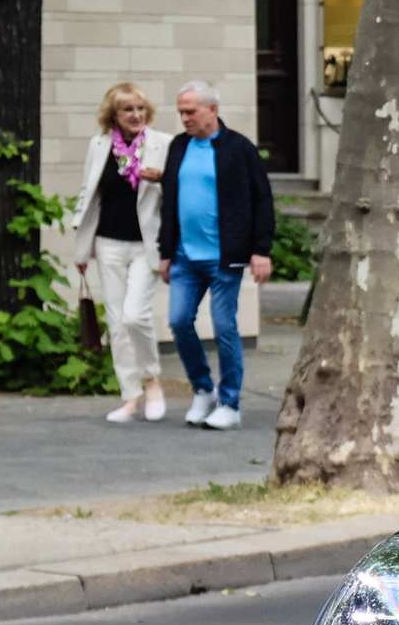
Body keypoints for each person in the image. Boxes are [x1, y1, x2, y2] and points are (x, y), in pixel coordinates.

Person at [159, 81, 278, 430]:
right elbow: (170, 202)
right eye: (181, 112)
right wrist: (166, 252)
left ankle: (230, 402)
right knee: (179, 321)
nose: (184, 118)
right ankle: (202, 389)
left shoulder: (238, 148)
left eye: (190, 111)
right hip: (184, 258)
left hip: (225, 256)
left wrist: (261, 251)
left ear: (212, 109)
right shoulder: (178, 147)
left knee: (225, 326)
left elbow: (262, 200)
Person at [70, 83, 169, 422]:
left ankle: (153, 380)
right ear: (114, 115)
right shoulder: (99, 146)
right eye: (128, 109)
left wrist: (162, 179)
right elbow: (89, 195)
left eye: (141, 108)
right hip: (108, 243)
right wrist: (82, 249)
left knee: (134, 316)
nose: (136, 115)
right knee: (116, 322)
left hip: (146, 245)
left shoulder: (162, 144)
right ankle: (130, 397)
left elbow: (179, 192)